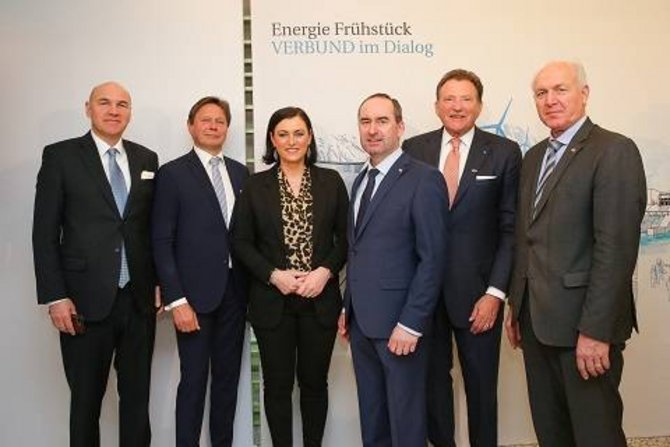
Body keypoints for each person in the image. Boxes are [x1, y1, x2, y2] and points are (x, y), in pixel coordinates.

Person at [505, 61, 647, 446]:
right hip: (536, 324)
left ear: (584, 94)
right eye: (541, 93)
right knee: (552, 434)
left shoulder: (613, 150)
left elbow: (615, 250)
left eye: (560, 90)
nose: (550, 100)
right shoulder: (534, 157)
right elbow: (526, 238)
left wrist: (596, 331)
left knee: (595, 435)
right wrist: (516, 306)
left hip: (584, 329)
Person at [32, 81, 159, 446]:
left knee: (137, 403)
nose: (113, 110)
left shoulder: (147, 158)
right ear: (88, 108)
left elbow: (149, 227)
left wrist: (157, 282)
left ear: (130, 112)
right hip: (83, 301)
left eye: (122, 104)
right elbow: (44, 233)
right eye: (104, 102)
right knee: (85, 405)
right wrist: (56, 296)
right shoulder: (61, 156)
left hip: (138, 301)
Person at [402, 69, 521, 447]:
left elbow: (510, 230)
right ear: (436, 105)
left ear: (479, 105)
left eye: (466, 99)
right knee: (432, 388)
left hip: (478, 296)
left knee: (482, 390)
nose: (457, 106)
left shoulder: (504, 152)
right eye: (449, 99)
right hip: (425, 295)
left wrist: (495, 293)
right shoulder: (414, 149)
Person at [231, 107, 348, 447]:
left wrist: (325, 272)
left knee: (315, 385)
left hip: (319, 301)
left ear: (309, 137)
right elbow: (240, 241)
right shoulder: (255, 185)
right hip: (272, 303)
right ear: (272, 139)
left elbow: (346, 238)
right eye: (283, 134)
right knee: (277, 387)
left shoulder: (331, 181)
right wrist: (272, 275)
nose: (291, 141)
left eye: (299, 133)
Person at [339, 93, 448, 447]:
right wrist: (348, 306)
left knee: (406, 425)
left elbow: (433, 259)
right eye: (366, 122)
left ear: (400, 127)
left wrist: (412, 323)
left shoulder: (424, 179)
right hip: (362, 323)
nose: (373, 130)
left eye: (382, 121)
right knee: (374, 422)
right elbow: (359, 251)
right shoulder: (361, 180)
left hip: (401, 326)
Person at [152, 96, 248, 446]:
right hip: (193, 298)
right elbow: (162, 239)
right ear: (191, 126)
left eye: (220, 121)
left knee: (227, 383)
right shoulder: (173, 173)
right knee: (193, 382)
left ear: (227, 128)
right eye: (205, 120)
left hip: (235, 294)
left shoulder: (240, 173)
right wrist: (176, 299)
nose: (213, 126)